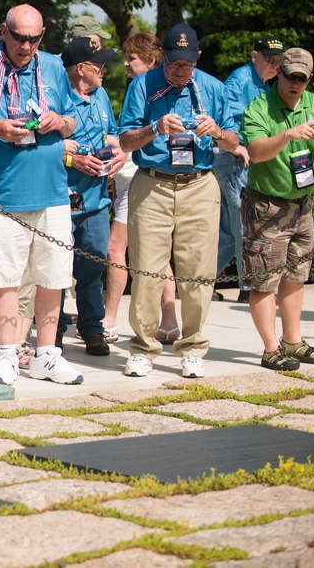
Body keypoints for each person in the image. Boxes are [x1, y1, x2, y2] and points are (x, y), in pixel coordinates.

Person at [0, 3, 83, 387]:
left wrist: (60, 121)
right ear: (3, 32)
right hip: (3, 194)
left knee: (53, 276)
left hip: (53, 190)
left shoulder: (53, 66)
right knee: (4, 277)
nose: (26, 46)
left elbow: (73, 118)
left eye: (34, 39)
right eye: (20, 37)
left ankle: (47, 354)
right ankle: (7, 354)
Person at [118, 22, 238, 379]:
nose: (182, 72)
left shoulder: (214, 88)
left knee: (198, 274)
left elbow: (234, 140)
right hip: (152, 184)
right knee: (146, 273)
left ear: (197, 58)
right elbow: (125, 142)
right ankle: (143, 348)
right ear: (162, 59)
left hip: (200, 185)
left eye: (188, 65)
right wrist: (154, 129)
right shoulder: (143, 84)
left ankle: (193, 346)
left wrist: (217, 131)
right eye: (174, 65)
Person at [241, 48, 314, 370]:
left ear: (309, 78)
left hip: (302, 205)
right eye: (290, 76)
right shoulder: (260, 106)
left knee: (296, 276)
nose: (295, 83)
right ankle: (271, 349)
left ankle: (292, 341)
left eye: (302, 78)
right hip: (267, 206)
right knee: (264, 280)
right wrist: (286, 135)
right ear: (278, 74)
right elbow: (255, 153)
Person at [102, 31, 178, 344]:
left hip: (138, 178)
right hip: (135, 178)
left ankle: (109, 318)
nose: (125, 63)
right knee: (159, 256)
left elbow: (134, 139)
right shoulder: (158, 89)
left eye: (131, 58)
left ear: (149, 60)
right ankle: (170, 322)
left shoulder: (145, 88)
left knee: (116, 249)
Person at [60, 37, 125, 356]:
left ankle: (91, 328)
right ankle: (54, 329)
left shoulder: (100, 95)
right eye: (99, 65)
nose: (104, 71)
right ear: (81, 68)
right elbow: (41, 146)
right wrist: (73, 159)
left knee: (93, 263)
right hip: (62, 197)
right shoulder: (55, 97)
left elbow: (110, 133)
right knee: (56, 267)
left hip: (97, 199)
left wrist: (118, 152)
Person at [217, 35, 284, 304]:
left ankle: (205, 279)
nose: (274, 66)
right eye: (269, 60)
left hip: (243, 161)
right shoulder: (241, 81)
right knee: (244, 223)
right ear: (254, 56)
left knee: (227, 228)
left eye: (279, 62)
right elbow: (227, 121)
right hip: (233, 160)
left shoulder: (264, 84)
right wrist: (238, 147)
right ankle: (248, 287)